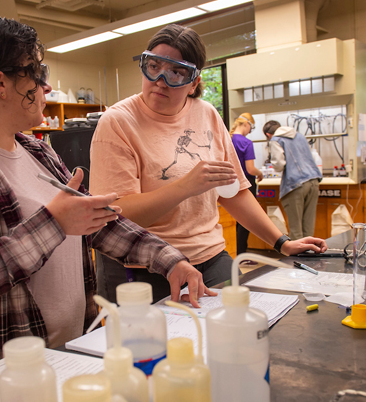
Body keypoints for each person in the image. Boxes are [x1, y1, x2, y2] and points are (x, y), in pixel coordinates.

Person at [0, 16, 213, 393]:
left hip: (65, 361)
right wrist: (53, 223)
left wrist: (169, 259)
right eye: (35, 72)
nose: (45, 84)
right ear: (0, 83)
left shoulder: (36, 151)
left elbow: (98, 219)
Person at [89, 24, 327, 303]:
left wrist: (282, 242)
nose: (161, 80)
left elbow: (235, 192)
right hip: (145, 266)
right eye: (153, 66)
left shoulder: (207, 114)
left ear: (194, 82)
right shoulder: (118, 122)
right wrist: (185, 186)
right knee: (164, 346)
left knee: (243, 324)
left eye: (176, 72)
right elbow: (117, 215)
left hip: (210, 257)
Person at [262, 120, 323, 240]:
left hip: (295, 184)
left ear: (268, 135)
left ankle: (298, 258)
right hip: (314, 180)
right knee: (308, 228)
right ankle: (309, 256)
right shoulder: (299, 135)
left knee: (296, 231)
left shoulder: (276, 139)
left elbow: (279, 165)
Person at [230, 113, 264, 256]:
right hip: (245, 184)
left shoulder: (227, 140)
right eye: (251, 127)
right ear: (246, 124)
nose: (250, 131)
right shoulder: (246, 142)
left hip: (230, 184)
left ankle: (235, 252)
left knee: (235, 221)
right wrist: (260, 173)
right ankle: (242, 255)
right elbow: (250, 169)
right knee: (247, 221)